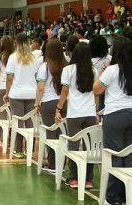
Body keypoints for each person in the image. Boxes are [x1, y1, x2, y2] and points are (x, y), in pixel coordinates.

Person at [93, 36, 132, 205]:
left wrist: (102, 72)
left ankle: (112, 197)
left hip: (115, 114)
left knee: (114, 155)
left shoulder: (112, 69)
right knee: (129, 155)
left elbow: (97, 90)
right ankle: (127, 194)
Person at [56, 42, 98, 189]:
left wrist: (58, 108)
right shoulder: (93, 70)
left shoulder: (68, 70)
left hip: (74, 114)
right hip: (90, 113)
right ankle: (88, 179)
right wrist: (96, 112)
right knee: (90, 147)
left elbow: (65, 92)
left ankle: (74, 178)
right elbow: (96, 94)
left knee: (73, 146)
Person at [34, 39, 68, 173]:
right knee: (62, 134)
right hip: (63, 102)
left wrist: (36, 104)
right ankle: (62, 164)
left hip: (48, 103)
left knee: (51, 134)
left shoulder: (45, 67)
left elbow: (40, 88)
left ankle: (53, 164)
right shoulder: (67, 65)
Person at [4, 33, 40, 159]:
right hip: (32, 93)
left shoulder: (13, 57)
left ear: (16, 43)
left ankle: (18, 150)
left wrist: (7, 93)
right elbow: (37, 76)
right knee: (30, 123)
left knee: (18, 122)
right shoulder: (34, 58)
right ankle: (29, 149)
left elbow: (9, 78)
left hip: (17, 93)